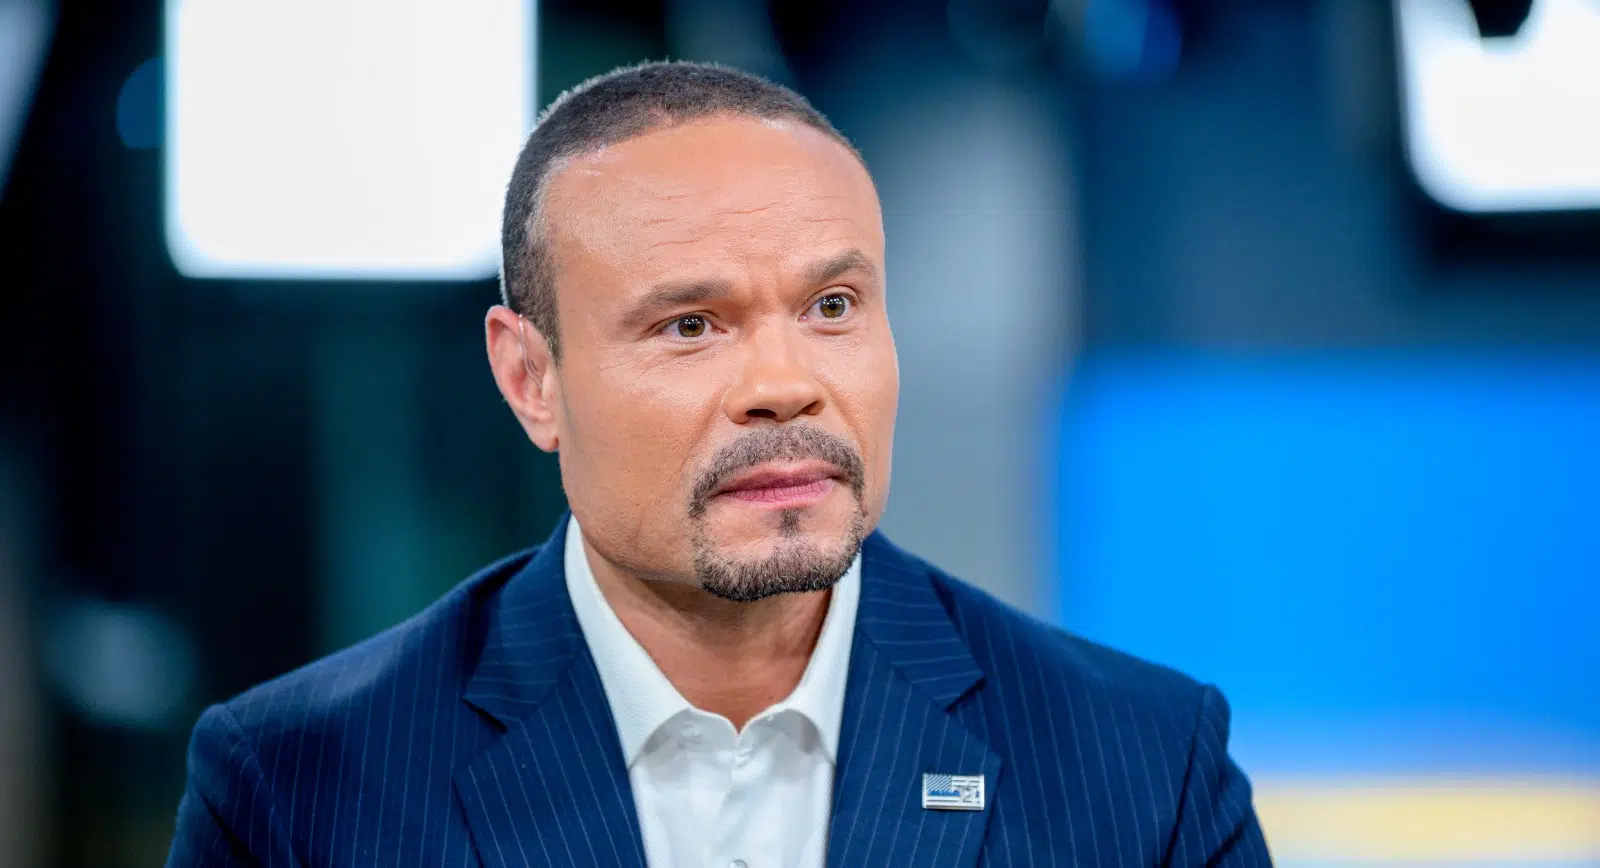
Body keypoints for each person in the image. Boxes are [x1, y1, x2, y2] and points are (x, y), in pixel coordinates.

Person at [167, 60, 1272, 867]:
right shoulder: (299, 786)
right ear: (531, 379)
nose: (785, 383)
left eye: (832, 306)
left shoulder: (1145, 766)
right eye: (691, 325)